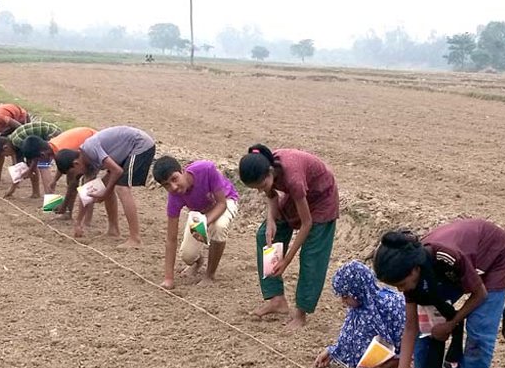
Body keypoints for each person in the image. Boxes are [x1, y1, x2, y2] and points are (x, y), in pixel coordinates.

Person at [372, 219, 505, 368]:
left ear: (414, 270)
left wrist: (452, 323)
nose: (401, 291)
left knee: (479, 332)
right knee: (426, 319)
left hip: (493, 257)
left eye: (401, 285)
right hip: (456, 268)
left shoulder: (446, 257)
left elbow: (479, 294)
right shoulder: (412, 268)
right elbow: (411, 328)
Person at [238, 144, 339, 331]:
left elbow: (307, 223)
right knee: (264, 236)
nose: (260, 190)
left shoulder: (293, 178)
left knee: (311, 257)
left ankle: (301, 314)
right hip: (298, 197)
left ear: (270, 173)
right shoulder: (265, 166)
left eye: (261, 186)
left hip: (321, 198)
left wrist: (286, 260)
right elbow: (271, 195)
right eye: (256, 188)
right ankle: (276, 299)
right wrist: (270, 221)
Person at [54, 126, 156, 247]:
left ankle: (135, 238)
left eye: (74, 173)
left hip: (140, 145)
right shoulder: (86, 160)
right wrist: (78, 222)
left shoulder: (90, 149)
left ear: (76, 164)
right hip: (124, 153)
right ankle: (113, 230)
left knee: (121, 187)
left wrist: (106, 192)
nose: (77, 177)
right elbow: (87, 191)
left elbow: (117, 171)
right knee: (105, 185)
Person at [153, 156, 240, 288]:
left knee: (219, 226)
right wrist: (168, 278)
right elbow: (171, 239)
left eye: (174, 179)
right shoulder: (174, 198)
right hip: (200, 212)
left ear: (182, 170)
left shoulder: (206, 169)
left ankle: (209, 275)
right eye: (167, 185)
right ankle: (198, 262)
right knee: (187, 256)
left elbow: (221, 204)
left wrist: (204, 224)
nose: (174, 187)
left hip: (225, 200)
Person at [314, 260, 406, 368]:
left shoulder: (391, 306)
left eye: (346, 297)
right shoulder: (358, 308)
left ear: (358, 291)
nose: (343, 301)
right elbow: (348, 338)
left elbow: (407, 344)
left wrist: (386, 366)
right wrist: (331, 352)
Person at [0, 121, 62, 197]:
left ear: (5, 148)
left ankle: (49, 198)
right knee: (35, 165)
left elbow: (29, 165)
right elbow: (29, 166)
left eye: (5, 155)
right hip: (46, 136)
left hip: (52, 134)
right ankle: (37, 193)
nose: (7, 156)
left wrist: (12, 188)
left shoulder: (18, 142)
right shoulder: (14, 141)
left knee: (43, 166)